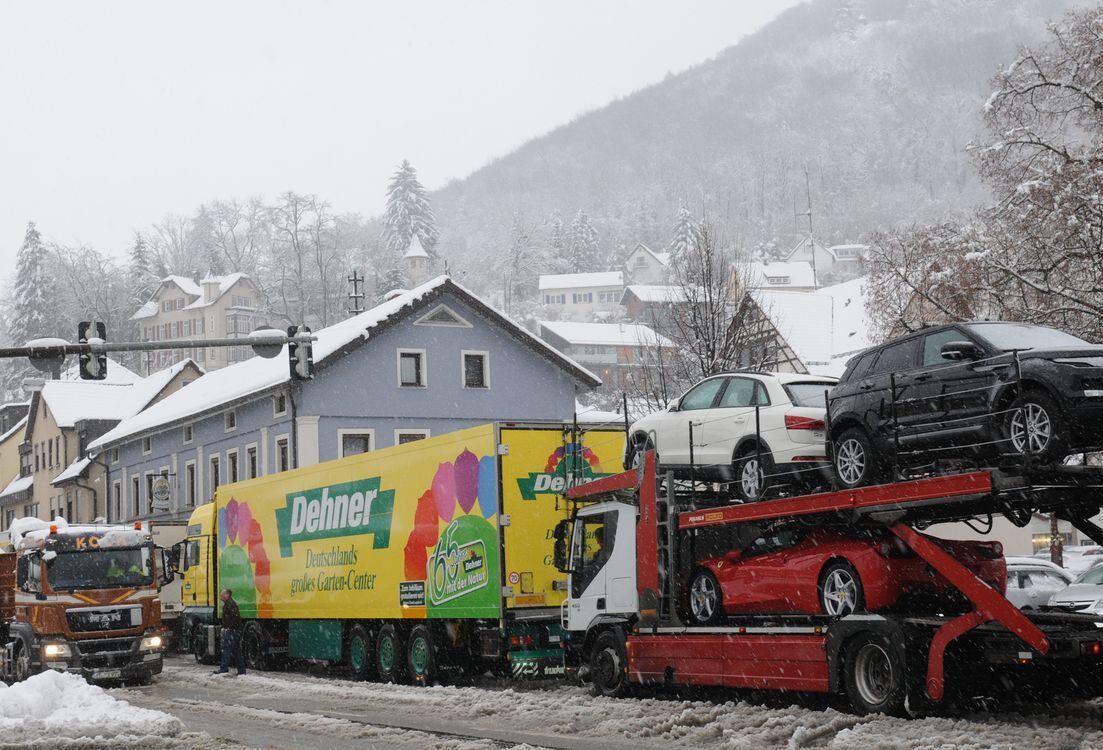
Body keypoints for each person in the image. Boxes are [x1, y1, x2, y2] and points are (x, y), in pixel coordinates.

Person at [215, 588, 246, 676]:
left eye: (222, 594)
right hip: (234, 630)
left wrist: (229, 628)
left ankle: (224, 668)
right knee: (237, 651)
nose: (221, 596)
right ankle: (241, 670)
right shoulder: (230, 604)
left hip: (232, 630)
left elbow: (235, 618)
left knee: (226, 649)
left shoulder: (230, 604)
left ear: (227, 595)